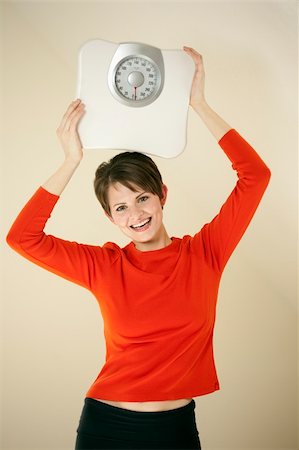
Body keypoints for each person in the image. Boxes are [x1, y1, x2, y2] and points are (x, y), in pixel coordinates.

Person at [6, 47, 271, 450]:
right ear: (110, 217)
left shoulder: (205, 253)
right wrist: (71, 159)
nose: (135, 215)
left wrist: (197, 103)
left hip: (177, 429)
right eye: (121, 207)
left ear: (162, 194)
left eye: (142, 198)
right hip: (106, 428)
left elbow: (255, 176)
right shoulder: (103, 266)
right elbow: (22, 237)